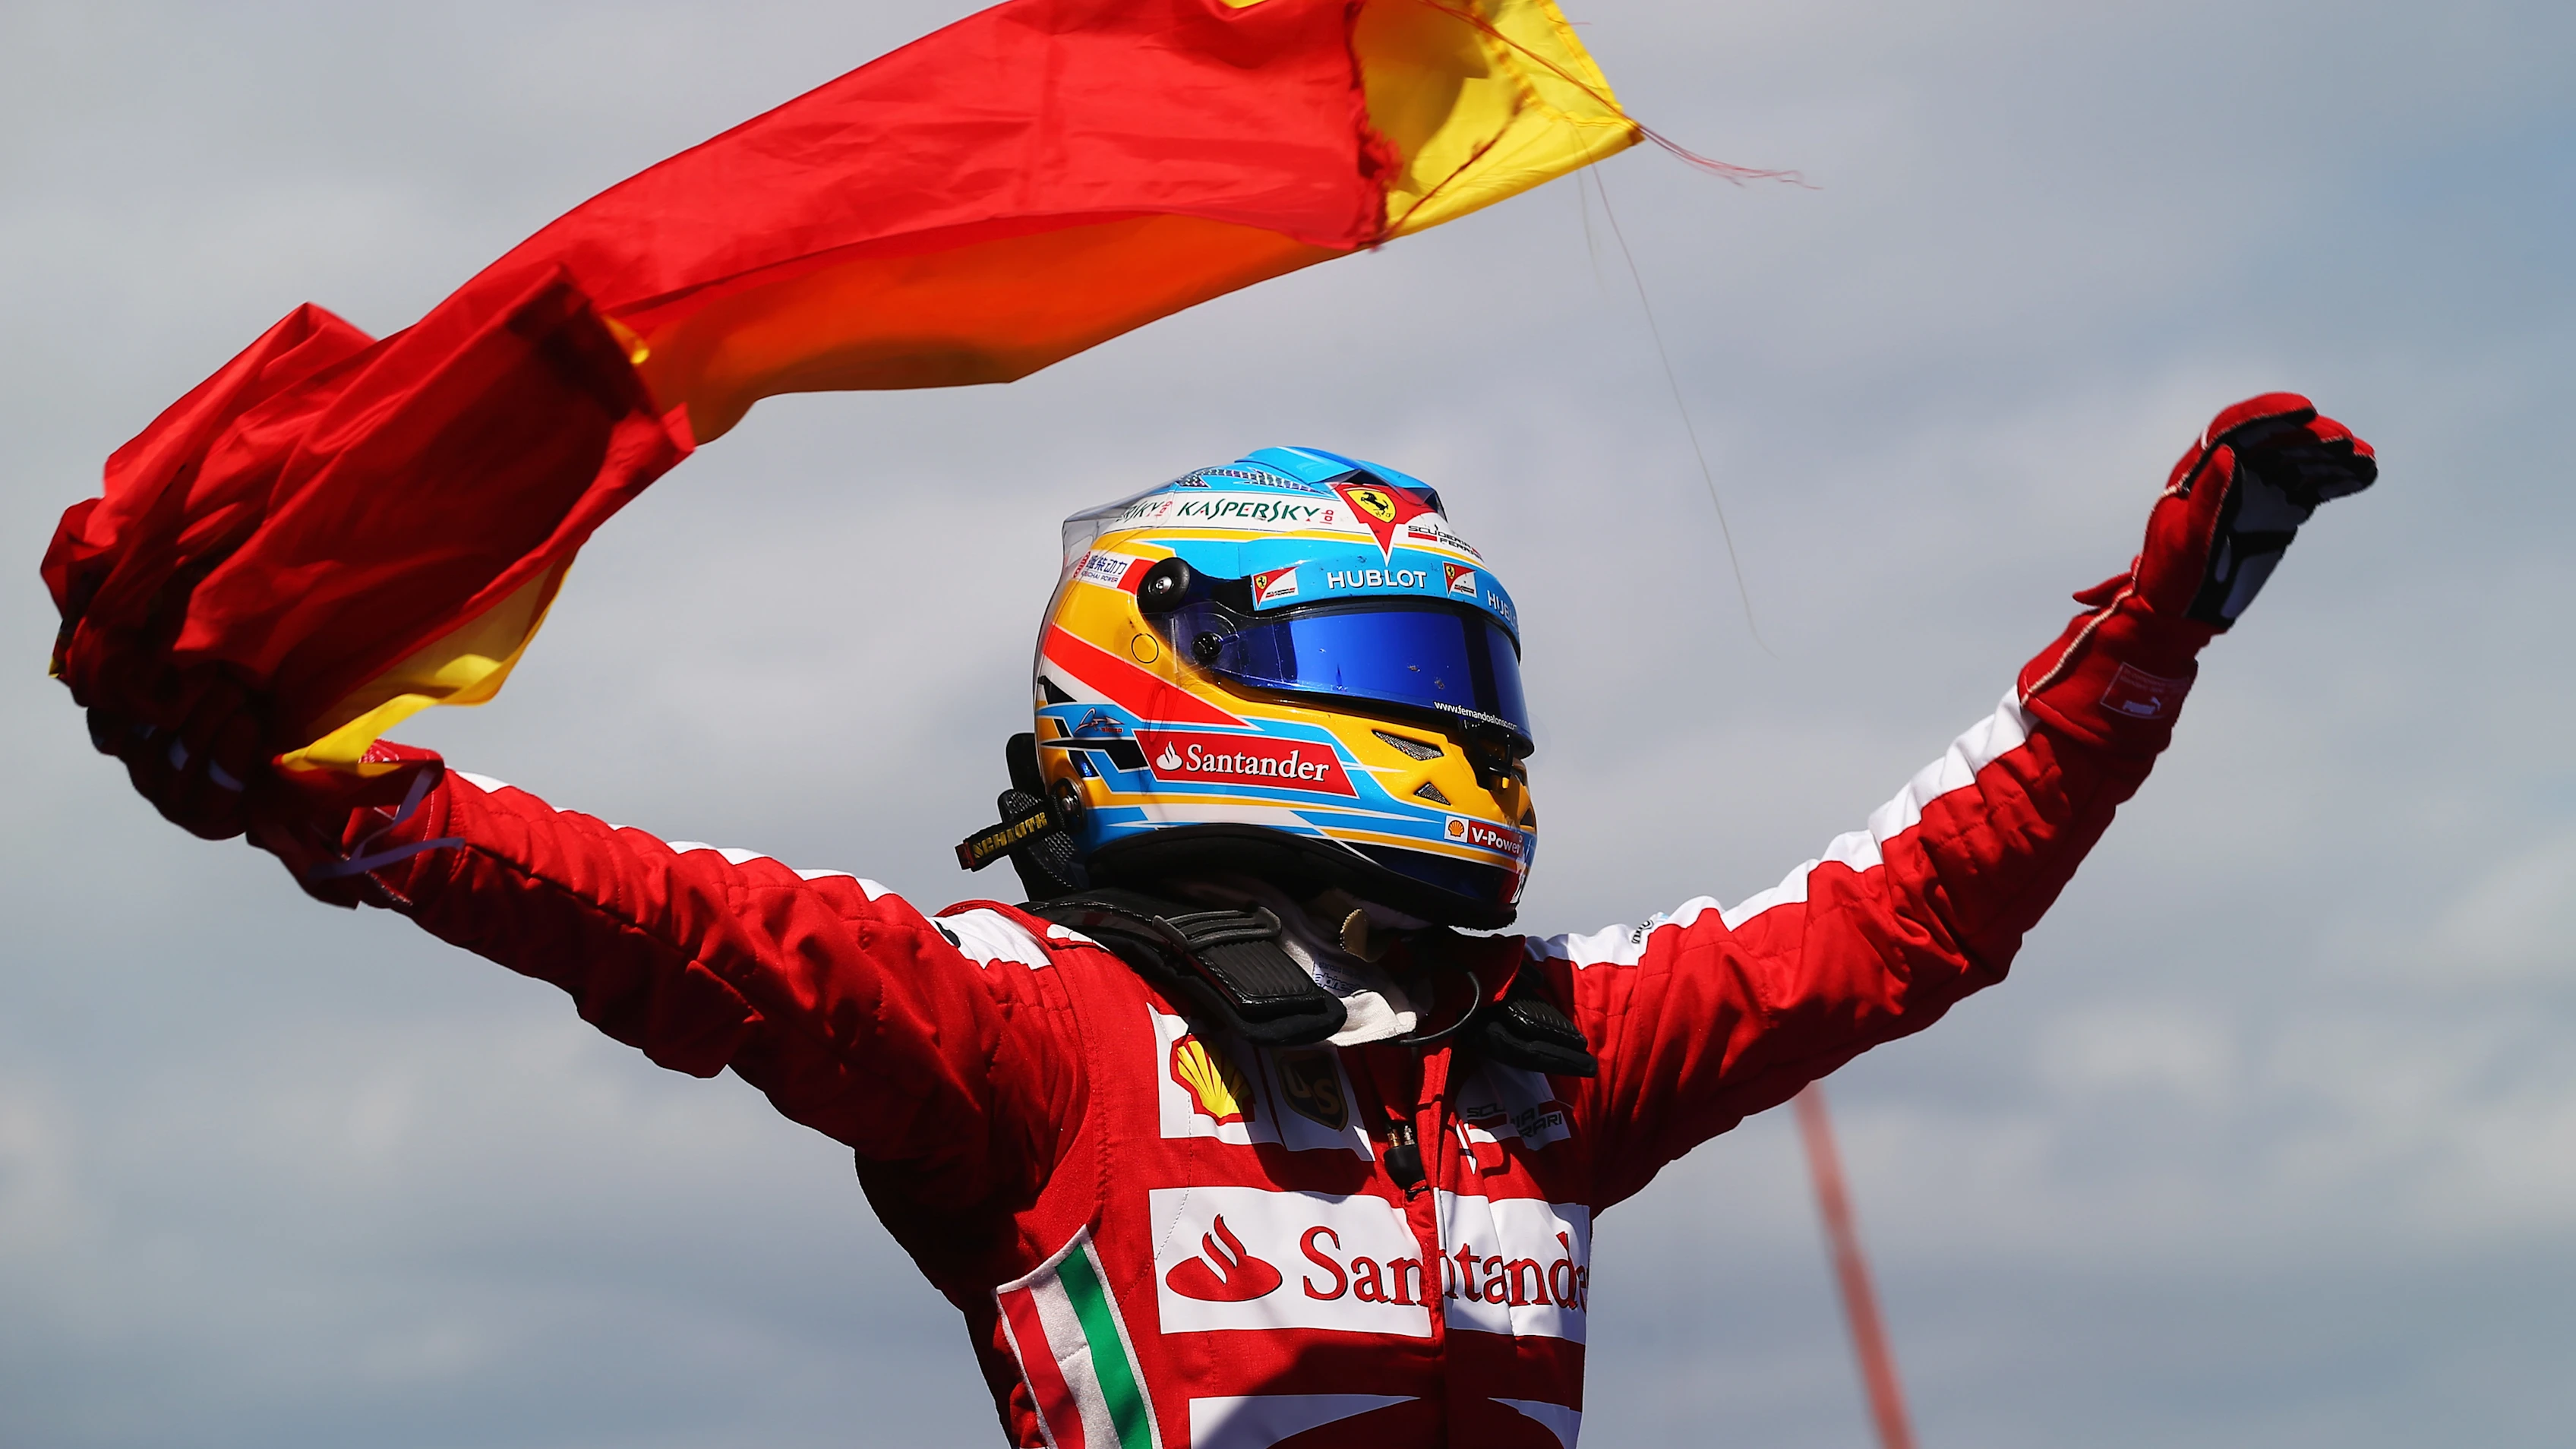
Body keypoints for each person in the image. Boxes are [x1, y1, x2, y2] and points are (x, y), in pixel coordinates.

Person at [87, 396, 2375, 1449]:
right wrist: (358, 814)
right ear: (1178, 672)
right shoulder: (1035, 1035)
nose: (1458, 736)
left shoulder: (1544, 1041)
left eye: (1467, 682)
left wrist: (2155, 627)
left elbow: (1907, 916)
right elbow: (691, 937)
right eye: (1395, 676)